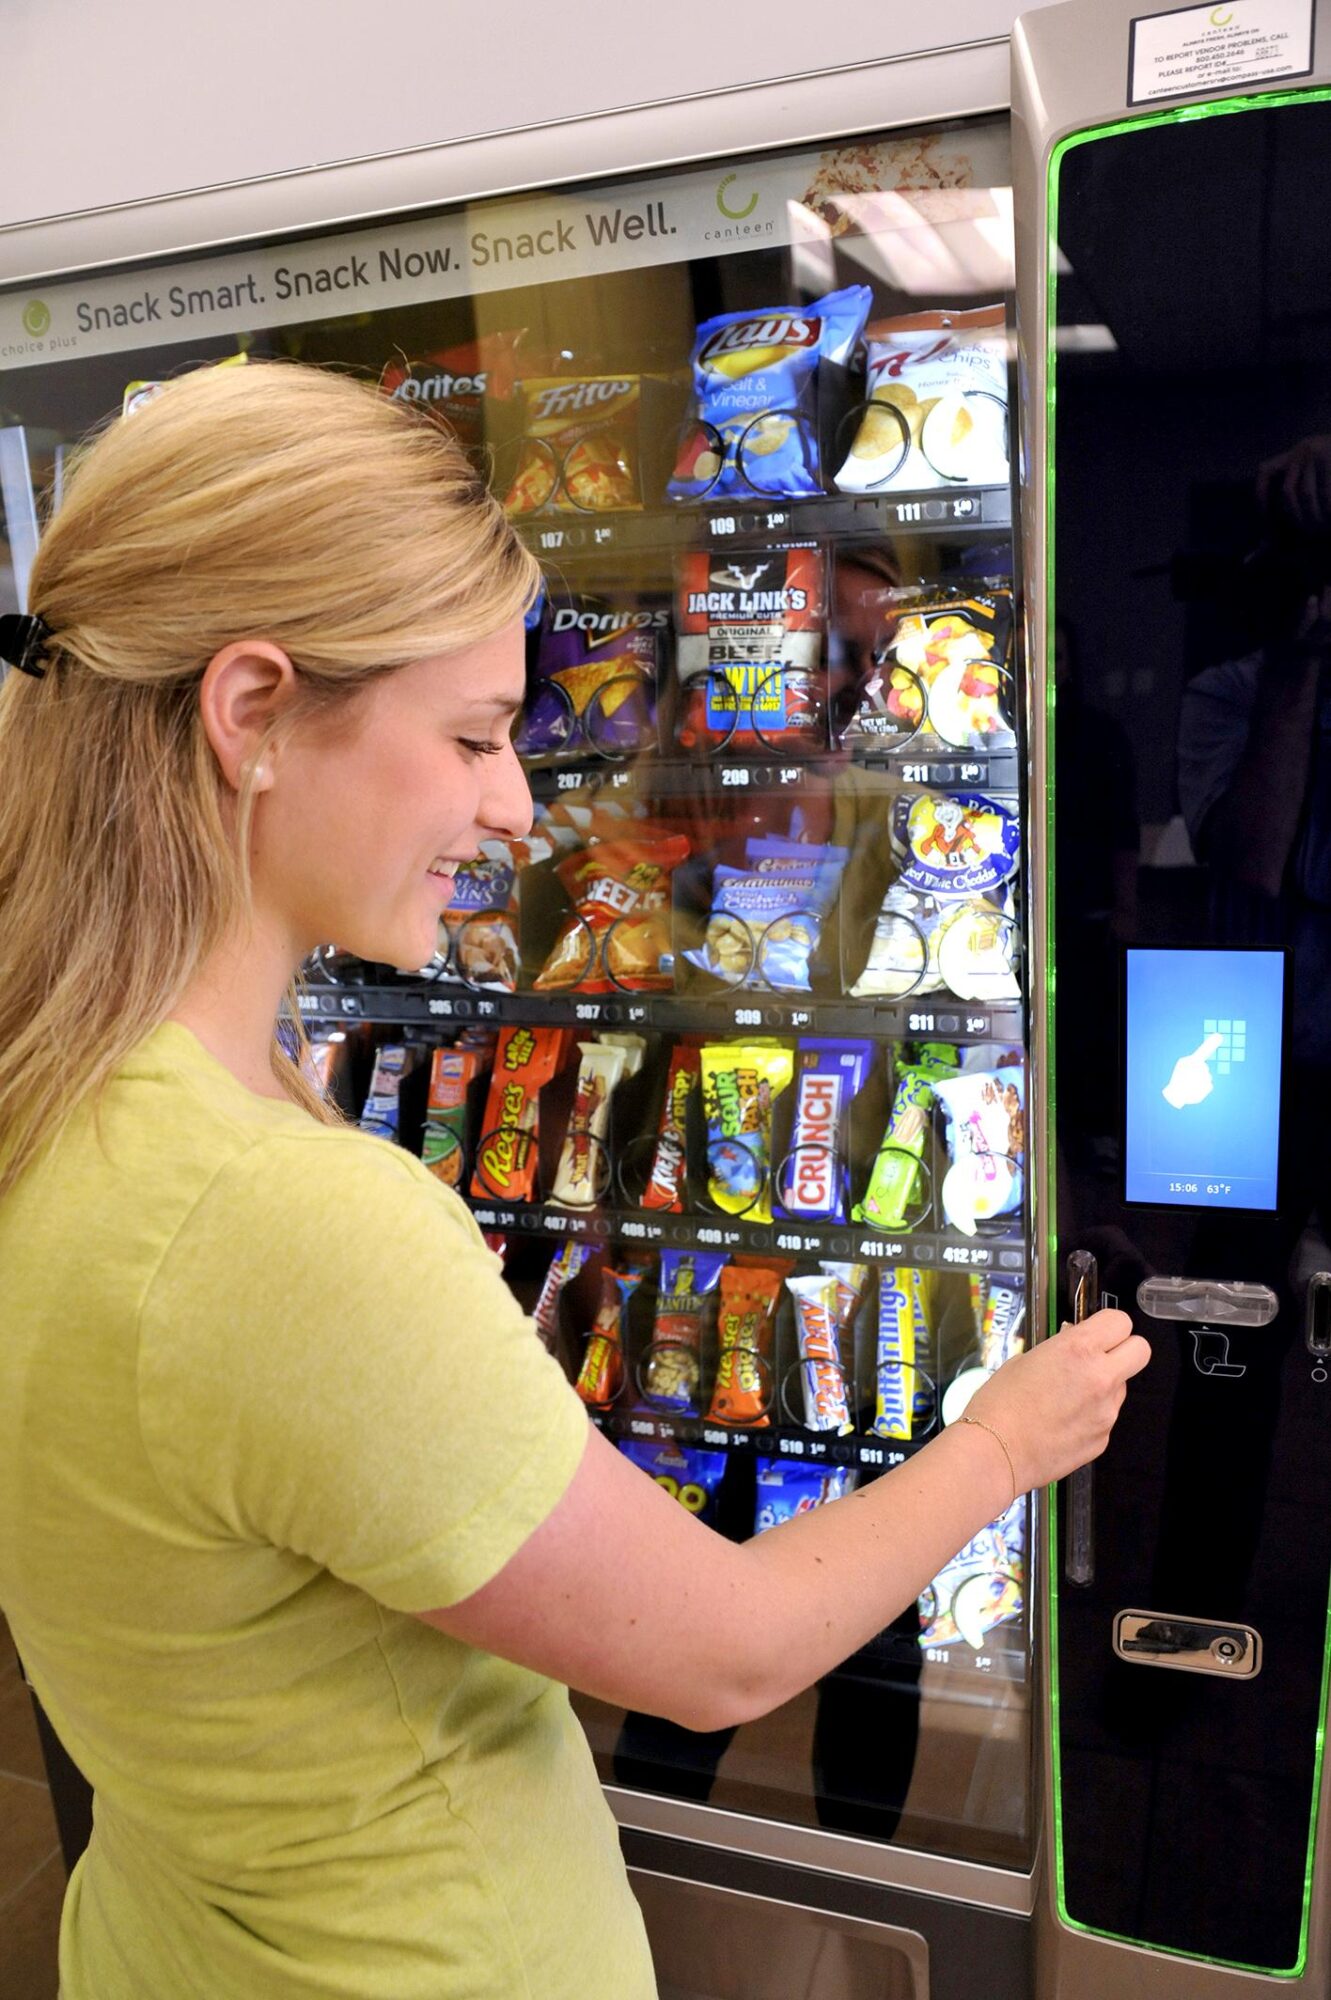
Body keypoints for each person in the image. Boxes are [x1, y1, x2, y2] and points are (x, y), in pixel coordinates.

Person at [0, 361, 1148, 2000]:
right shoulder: (279, 1218)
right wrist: (1006, 1439)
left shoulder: (51, 1088)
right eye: (470, 734)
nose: (515, 802)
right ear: (249, 711)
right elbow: (723, 1652)